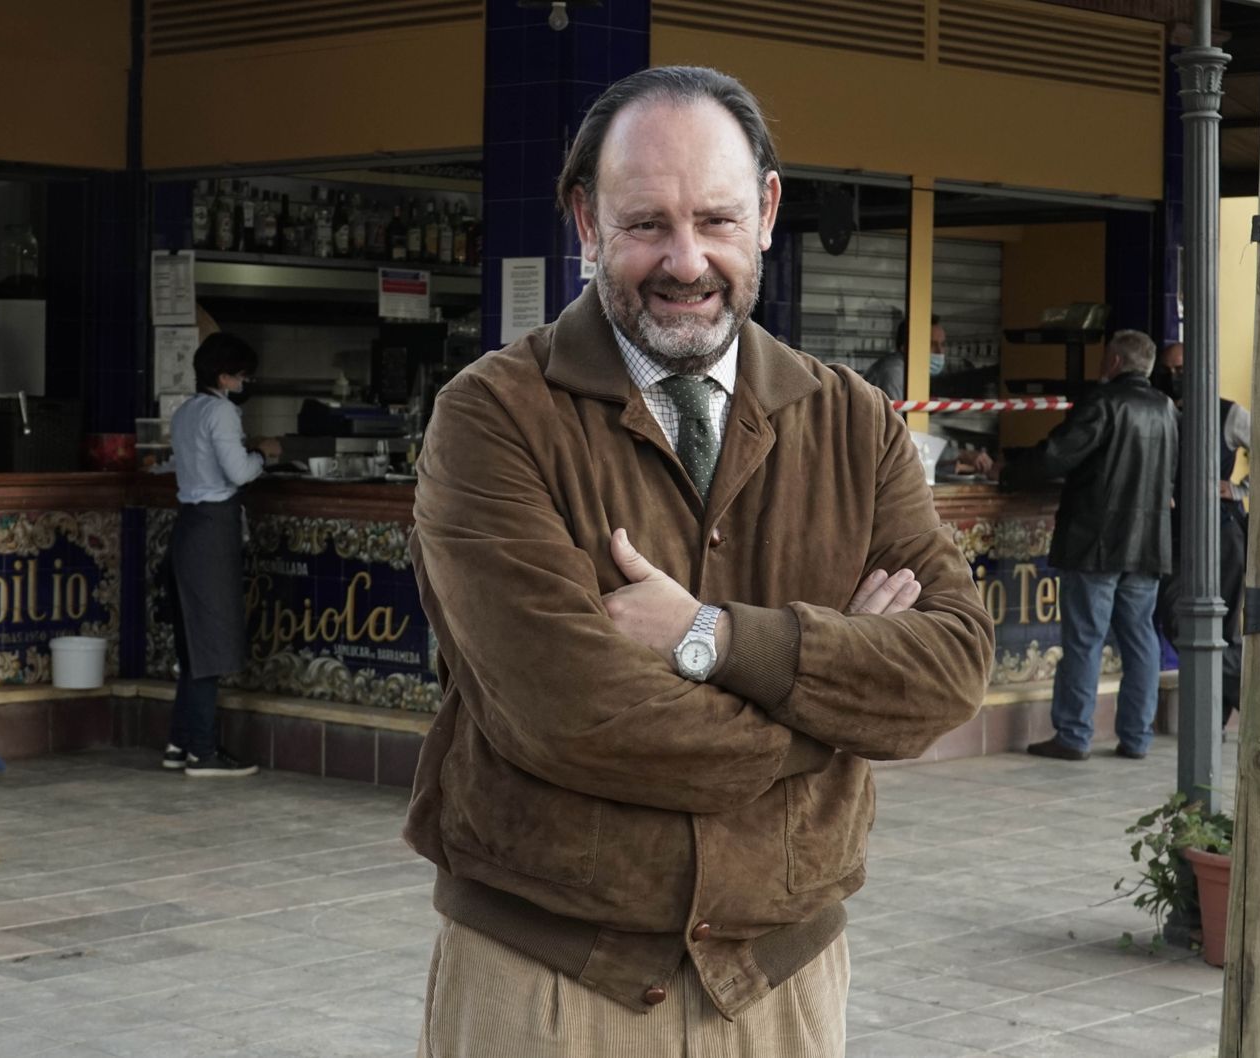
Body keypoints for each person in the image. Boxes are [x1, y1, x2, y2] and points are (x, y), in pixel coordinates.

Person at [404, 66, 995, 1057]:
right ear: (584, 220)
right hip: (545, 981)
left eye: (715, 219)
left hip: (783, 985)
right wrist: (826, 714)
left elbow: (951, 666)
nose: (686, 260)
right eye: (646, 224)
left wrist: (707, 639)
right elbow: (573, 714)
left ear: (765, 210)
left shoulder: (853, 419)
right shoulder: (491, 416)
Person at [980, 330, 1177, 761]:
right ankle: (1137, 737)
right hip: (1146, 544)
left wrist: (1008, 471)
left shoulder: (1104, 403)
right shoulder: (1165, 408)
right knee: (1140, 640)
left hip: (1097, 542)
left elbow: (1057, 455)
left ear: (1112, 362)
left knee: (1085, 639)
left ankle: (1073, 734)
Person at [162, 333, 280, 778]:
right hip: (214, 530)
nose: (245, 381)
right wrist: (264, 455)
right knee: (209, 644)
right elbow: (238, 472)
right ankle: (203, 752)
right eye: (241, 374)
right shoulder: (223, 413)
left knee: (193, 646)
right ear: (224, 375)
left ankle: (179, 742)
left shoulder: (187, 412)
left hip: (188, 526)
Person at [1154, 341, 1250, 726]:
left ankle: (1226, 707)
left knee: (1219, 628)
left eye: (1181, 368)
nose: (1174, 376)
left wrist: (1241, 489)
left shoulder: (1228, 413)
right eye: (1168, 369)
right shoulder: (1162, 412)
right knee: (1175, 617)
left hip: (1222, 535)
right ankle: (1243, 691)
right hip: (1176, 536)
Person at [863, 312, 945, 399]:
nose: (940, 351)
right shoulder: (895, 372)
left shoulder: (912, 370)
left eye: (943, 344)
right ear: (906, 346)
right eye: (931, 344)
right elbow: (897, 412)